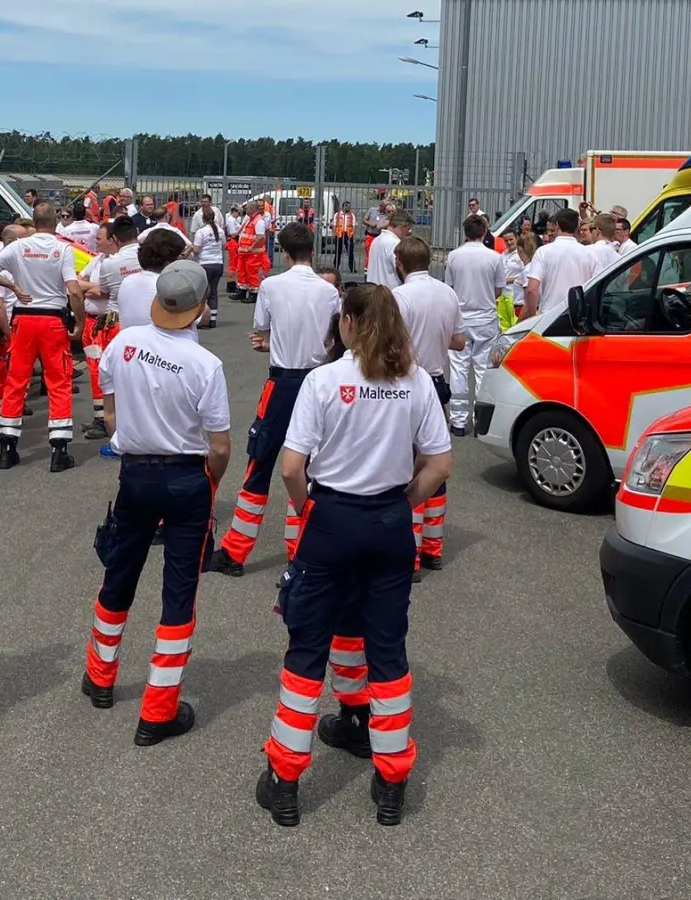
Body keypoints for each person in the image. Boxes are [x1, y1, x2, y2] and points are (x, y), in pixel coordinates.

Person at [254, 283, 453, 828]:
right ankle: (391, 779)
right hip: (389, 523)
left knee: (307, 648)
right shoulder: (415, 383)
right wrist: (398, 504)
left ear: (346, 322)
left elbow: (293, 468)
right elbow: (438, 466)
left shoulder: (323, 380)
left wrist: (309, 511)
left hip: (331, 520)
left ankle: (286, 779)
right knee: (387, 651)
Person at [80, 259, 231, 745]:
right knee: (180, 589)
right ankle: (158, 708)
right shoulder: (205, 365)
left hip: (136, 472)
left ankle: (100, 676)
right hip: (187, 476)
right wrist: (211, 480)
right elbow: (221, 444)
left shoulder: (124, 343)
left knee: (120, 569)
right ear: (200, 309)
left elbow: (107, 407)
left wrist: (123, 436)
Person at [209, 224, 338, 578]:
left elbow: (262, 333)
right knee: (309, 469)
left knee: (260, 463)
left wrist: (271, 344)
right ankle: (302, 554)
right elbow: (331, 341)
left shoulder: (271, 286)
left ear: (283, 251)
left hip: (281, 382)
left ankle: (235, 553)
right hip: (316, 382)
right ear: (312, 251)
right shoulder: (328, 293)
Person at [0, 202, 82, 472]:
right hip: (52, 321)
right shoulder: (62, 249)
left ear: (34, 223)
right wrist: (79, 322)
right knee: (59, 381)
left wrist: (12, 284)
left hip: (23, 318)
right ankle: (59, 451)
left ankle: (7, 448)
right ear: (56, 221)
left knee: (16, 380)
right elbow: (73, 290)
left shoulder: (19, 246)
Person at [392, 236, 465, 576]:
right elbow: (459, 341)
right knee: (436, 462)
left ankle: (410, 550)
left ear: (399, 263)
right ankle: (433, 547)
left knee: (407, 468)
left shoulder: (399, 297)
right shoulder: (447, 294)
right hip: (438, 384)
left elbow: (390, 346)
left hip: (407, 386)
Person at [445, 215, 507, 438]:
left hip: (460, 319)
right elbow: (498, 289)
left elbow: (449, 288)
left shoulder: (454, 256)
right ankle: (480, 421)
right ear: (484, 232)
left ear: (465, 232)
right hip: (485, 319)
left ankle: (459, 421)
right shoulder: (494, 257)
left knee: (459, 369)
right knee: (482, 369)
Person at [76, 222, 120, 440]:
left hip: (105, 324)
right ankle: (99, 416)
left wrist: (90, 289)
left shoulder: (114, 263)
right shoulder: (97, 260)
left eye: (100, 238)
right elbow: (78, 282)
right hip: (93, 325)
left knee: (103, 371)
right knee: (94, 369)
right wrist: (90, 289)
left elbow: (103, 292)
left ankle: (106, 419)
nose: (96, 241)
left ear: (112, 239)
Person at [0, 222, 27, 432]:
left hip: (3, 325)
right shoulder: (6, 270)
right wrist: (9, 333)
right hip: (7, 326)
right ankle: (5, 416)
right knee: (8, 372)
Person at [524, 207, 596, 321]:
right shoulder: (590, 254)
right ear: (577, 227)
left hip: (548, 318)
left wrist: (532, 314)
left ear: (556, 225)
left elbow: (532, 289)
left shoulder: (543, 252)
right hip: (579, 318)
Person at [116, 229, 189, 335]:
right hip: (161, 347)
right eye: (180, 257)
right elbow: (202, 316)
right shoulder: (170, 287)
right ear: (170, 260)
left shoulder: (127, 281)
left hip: (130, 344)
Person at [192, 208, 226, 328]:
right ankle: (213, 319)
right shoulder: (220, 231)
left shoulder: (201, 232)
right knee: (213, 292)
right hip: (218, 263)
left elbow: (196, 250)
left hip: (205, 264)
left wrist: (191, 248)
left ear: (203, 219)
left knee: (202, 293)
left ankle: (201, 318)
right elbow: (224, 245)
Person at [234, 199, 271, 303]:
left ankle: (254, 294)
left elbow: (260, 237)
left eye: (247, 208)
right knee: (242, 272)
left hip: (254, 253)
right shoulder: (250, 219)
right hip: (246, 252)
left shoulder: (259, 221)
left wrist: (251, 247)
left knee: (252, 273)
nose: (246, 210)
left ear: (251, 209)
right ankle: (242, 291)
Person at [365, 211, 413, 288]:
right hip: (389, 292)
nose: (409, 232)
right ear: (402, 227)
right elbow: (402, 270)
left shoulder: (376, 240)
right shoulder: (395, 243)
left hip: (373, 290)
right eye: (408, 229)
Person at [224, 204, 243, 297]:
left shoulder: (233, 220)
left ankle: (232, 283)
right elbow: (233, 234)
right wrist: (241, 228)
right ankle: (231, 284)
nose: (239, 215)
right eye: (238, 212)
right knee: (233, 263)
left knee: (234, 263)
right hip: (233, 242)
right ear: (234, 211)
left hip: (234, 242)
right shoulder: (231, 220)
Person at [332, 201, 356, 272]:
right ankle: (336, 267)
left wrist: (351, 234)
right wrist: (335, 233)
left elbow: (354, 226)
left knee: (350, 252)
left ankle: (352, 268)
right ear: (344, 206)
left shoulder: (352, 215)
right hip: (339, 234)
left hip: (348, 235)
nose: (349, 208)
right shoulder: (337, 214)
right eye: (348, 206)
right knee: (338, 251)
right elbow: (334, 225)